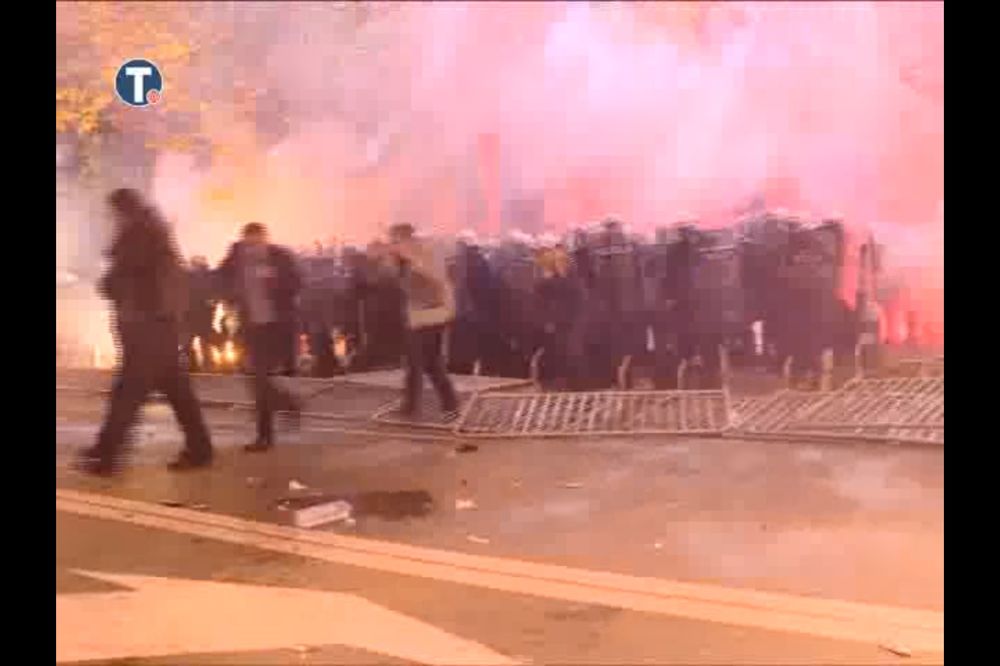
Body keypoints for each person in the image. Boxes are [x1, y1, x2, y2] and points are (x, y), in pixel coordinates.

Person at [77, 189, 213, 476]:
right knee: (177, 391)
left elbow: (123, 279)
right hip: (159, 325)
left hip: (145, 326)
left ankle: (107, 457)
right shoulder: (153, 231)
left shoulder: (137, 234)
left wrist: (107, 285)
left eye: (112, 213)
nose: (109, 218)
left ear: (121, 210)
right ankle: (200, 449)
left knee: (128, 393)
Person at [216, 222, 303, 451]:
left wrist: (273, 278)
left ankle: (265, 436)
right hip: (250, 328)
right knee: (255, 380)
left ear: (265, 240)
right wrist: (228, 296)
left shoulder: (280, 256)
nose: (253, 250)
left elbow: (296, 284)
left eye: (257, 244)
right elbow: (220, 278)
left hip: (274, 328)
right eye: (248, 245)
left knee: (260, 380)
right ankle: (289, 404)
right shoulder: (236, 256)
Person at [374, 223, 459, 420]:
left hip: (431, 315)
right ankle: (439, 404)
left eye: (395, 239)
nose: (392, 243)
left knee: (423, 363)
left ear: (406, 238)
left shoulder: (422, 254)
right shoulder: (403, 259)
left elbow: (437, 278)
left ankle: (434, 406)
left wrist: (412, 258)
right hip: (419, 315)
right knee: (423, 363)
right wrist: (389, 255)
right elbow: (388, 274)